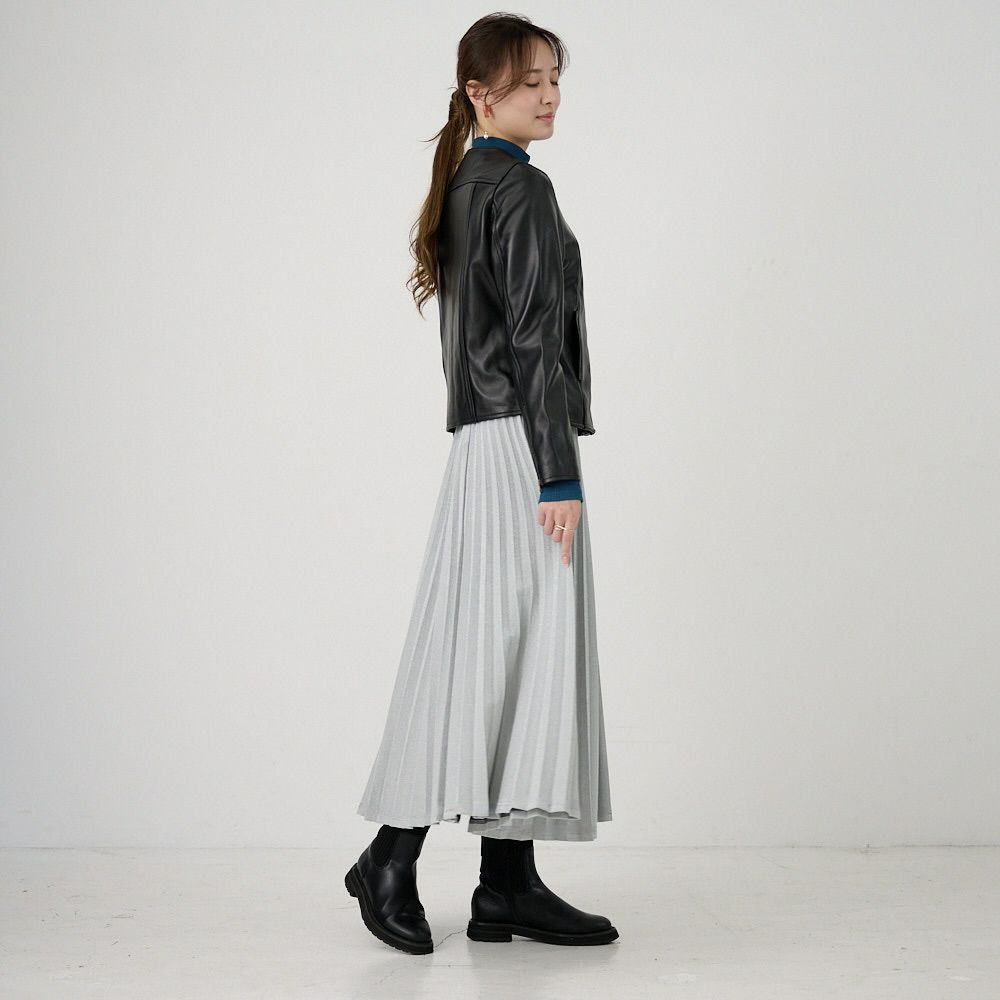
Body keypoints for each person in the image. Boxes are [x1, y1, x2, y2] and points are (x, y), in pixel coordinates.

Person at [345, 13, 617, 954]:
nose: (549, 95)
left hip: (482, 446)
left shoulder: (467, 183)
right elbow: (535, 341)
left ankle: (505, 883)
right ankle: (393, 855)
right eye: (529, 80)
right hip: (522, 451)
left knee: (496, 653)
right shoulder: (521, 188)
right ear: (478, 92)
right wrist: (558, 474)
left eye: (554, 78)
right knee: (498, 659)